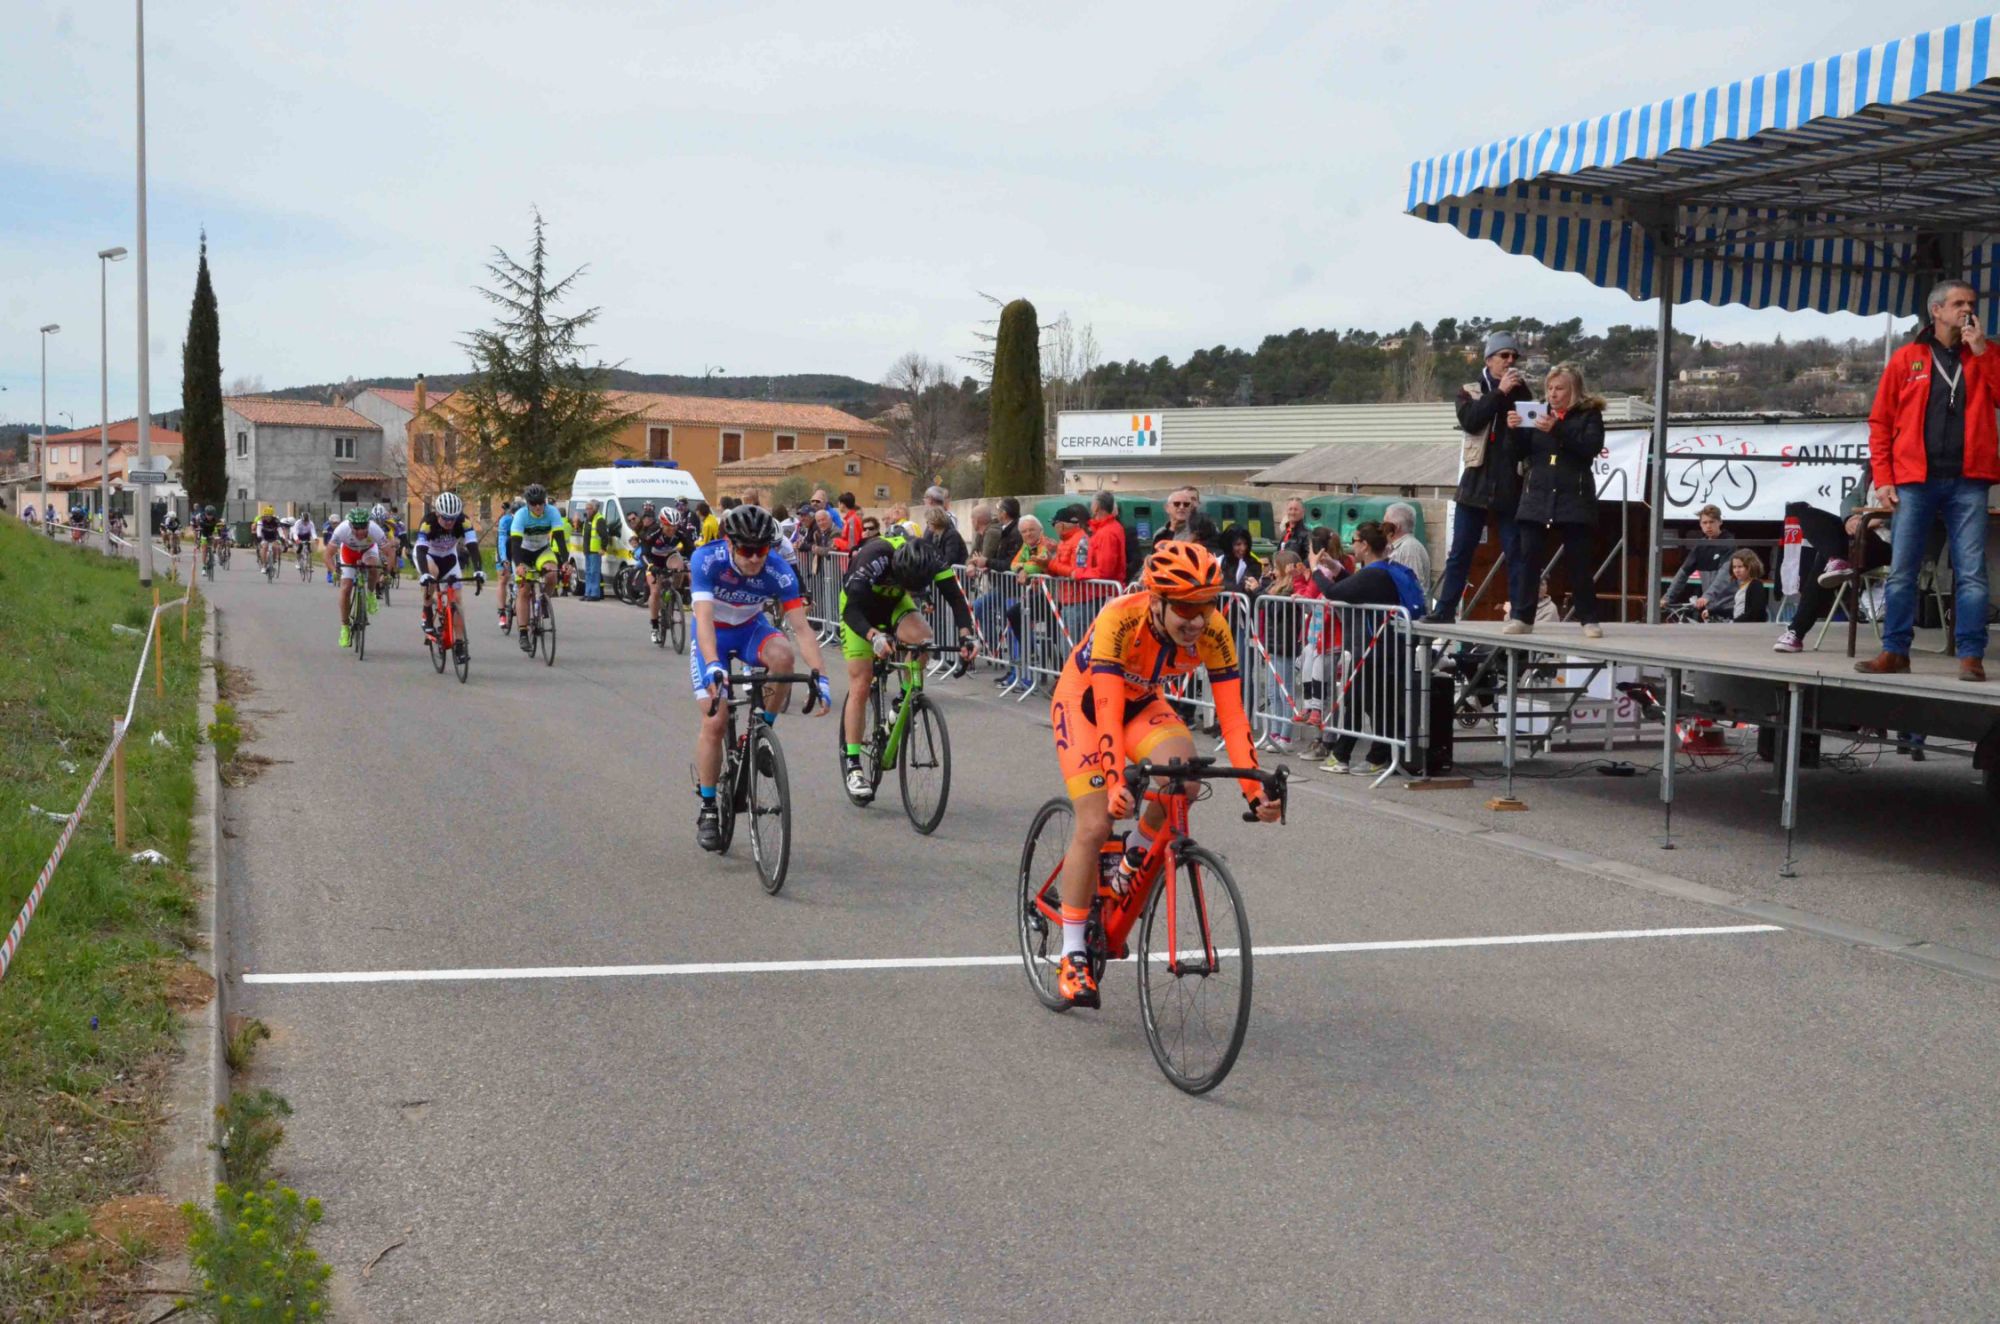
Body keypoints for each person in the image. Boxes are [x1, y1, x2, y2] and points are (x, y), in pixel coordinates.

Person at [1044, 541, 1282, 1008]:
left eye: (1206, 606)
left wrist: (1255, 791)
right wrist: (1115, 780)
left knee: (1185, 780)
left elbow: (1233, 716)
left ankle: (1132, 857)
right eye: (1186, 609)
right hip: (1086, 704)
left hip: (1143, 703)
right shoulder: (1120, 618)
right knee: (1095, 824)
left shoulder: (1213, 630)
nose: (1197, 621)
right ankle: (1072, 953)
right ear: (1156, 602)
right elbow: (1107, 709)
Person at [1856, 278, 1998, 681]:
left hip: (1968, 480)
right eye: (1958, 303)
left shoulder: (1986, 355)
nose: (1967, 310)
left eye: (1971, 303)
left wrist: (1982, 352)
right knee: (1903, 570)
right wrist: (1883, 478)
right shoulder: (1908, 358)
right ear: (1937, 311)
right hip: (1915, 481)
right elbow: (1881, 422)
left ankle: (1971, 655)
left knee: (1971, 572)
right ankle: (1895, 651)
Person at [687, 505, 833, 851]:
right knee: (715, 720)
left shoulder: (778, 570)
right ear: (730, 543)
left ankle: (761, 731)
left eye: (762, 550)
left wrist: (822, 677)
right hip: (713, 636)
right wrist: (713, 664)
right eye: (746, 550)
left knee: (784, 656)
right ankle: (708, 808)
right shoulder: (707, 560)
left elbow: (801, 628)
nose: (754, 558)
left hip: (751, 630)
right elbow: (703, 620)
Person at [837, 533, 976, 801]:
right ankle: (853, 765)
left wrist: (966, 635)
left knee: (923, 639)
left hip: (894, 604)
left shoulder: (932, 559)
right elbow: (851, 611)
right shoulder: (874, 557)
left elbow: (956, 598)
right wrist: (873, 636)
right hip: (859, 609)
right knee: (861, 682)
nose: (914, 591)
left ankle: (904, 698)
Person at [1430, 331, 1531, 623]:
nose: (1510, 361)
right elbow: (1471, 421)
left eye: (1513, 357)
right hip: (1475, 482)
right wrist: (1499, 392)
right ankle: (1444, 611)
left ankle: (1519, 615)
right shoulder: (1469, 390)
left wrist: (1518, 426)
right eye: (1504, 355)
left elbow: (1529, 441)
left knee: (1516, 552)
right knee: (1460, 551)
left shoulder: (1523, 393)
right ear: (1489, 359)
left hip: (1509, 482)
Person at [1506, 362, 1605, 640]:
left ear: (1574, 390)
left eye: (1559, 388)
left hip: (1574, 496)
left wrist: (1557, 430)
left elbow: (1590, 448)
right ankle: (1522, 617)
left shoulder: (1589, 415)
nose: (1553, 393)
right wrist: (1514, 430)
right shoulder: (1537, 412)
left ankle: (1588, 619)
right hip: (1537, 495)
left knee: (1578, 562)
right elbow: (1518, 453)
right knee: (1528, 559)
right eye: (1549, 388)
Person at [1314, 522, 1412, 774]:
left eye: (1355, 541)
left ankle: (1373, 757)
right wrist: (1335, 567)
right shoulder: (1381, 570)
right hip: (1377, 646)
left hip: (1376, 648)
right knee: (1359, 700)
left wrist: (1316, 570)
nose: (1352, 546)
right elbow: (1352, 586)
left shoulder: (1374, 574)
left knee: (1373, 703)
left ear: (1365, 545)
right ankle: (1344, 754)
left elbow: (1334, 592)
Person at [1773, 465, 1890, 652]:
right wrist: (1850, 518)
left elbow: (1915, 510)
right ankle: (1836, 559)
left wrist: (1878, 520)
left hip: (1888, 543)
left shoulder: (1909, 470)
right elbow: (1851, 498)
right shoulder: (1873, 469)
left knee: (1825, 557)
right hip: (1858, 535)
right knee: (1801, 512)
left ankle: (1796, 632)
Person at [507, 485, 571, 655]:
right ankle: (523, 633)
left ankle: (543, 602)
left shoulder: (552, 512)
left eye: (540, 503)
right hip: (523, 552)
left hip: (542, 550)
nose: (537, 507)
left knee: (552, 574)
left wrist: (565, 562)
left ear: (545, 502)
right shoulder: (521, 515)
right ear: (528, 504)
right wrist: (519, 565)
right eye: (533, 504)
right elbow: (515, 543)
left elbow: (560, 539)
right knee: (524, 589)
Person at [414, 492, 484, 634]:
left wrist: (478, 570)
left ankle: (459, 642)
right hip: (428, 555)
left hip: (449, 557)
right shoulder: (428, 523)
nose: (449, 522)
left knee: (457, 599)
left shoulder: (464, 522)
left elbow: (472, 546)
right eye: (445, 518)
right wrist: (425, 574)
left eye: (453, 518)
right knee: (432, 573)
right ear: (437, 514)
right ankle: (427, 611)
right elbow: (421, 550)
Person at [322, 507, 390, 647]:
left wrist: (387, 572)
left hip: (368, 550)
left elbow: (390, 552)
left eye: (363, 527)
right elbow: (327, 554)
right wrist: (334, 571)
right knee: (346, 588)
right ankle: (345, 627)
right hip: (349, 552)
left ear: (368, 524)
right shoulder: (341, 530)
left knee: (373, 567)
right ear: (350, 525)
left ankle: (370, 594)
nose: (360, 532)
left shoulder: (375, 529)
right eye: (356, 528)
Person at [631, 503, 692, 643]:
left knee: (680, 567)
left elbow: (690, 549)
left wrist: (692, 564)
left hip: (670, 556)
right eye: (669, 527)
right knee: (655, 591)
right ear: (662, 524)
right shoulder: (652, 532)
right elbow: (644, 554)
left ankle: (673, 595)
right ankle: (654, 626)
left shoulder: (680, 531)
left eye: (675, 526)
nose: (672, 529)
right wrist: (651, 566)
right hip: (653, 560)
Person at [1699, 549, 1768, 623]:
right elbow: (1736, 610)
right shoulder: (1743, 585)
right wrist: (1712, 612)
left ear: (1750, 566)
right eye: (1734, 567)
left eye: (1740, 566)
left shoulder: (1755, 585)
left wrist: (1734, 622)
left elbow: (1756, 613)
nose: (1736, 570)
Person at [1150, 485, 1221, 554]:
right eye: (1177, 504)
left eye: (1186, 504)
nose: (1182, 507)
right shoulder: (1160, 534)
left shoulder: (1202, 529)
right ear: (1167, 508)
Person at [1382, 503, 1432, 589]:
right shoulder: (1401, 546)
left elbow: (1414, 586)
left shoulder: (1409, 548)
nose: (1382, 527)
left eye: (1385, 524)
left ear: (1396, 527)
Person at [924, 503, 969, 569]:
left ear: (934, 522)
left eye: (928, 522)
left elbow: (950, 559)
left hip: (956, 573)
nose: (927, 525)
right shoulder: (934, 536)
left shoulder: (952, 535)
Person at [581, 500, 607, 601]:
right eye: (586, 509)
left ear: (594, 509)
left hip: (595, 551)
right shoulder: (587, 519)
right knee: (588, 572)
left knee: (594, 572)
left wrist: (603, 548)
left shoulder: (599, 519)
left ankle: (595, 594)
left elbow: (604, 536)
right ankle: (587, 593)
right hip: (588, 550)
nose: (587, 511)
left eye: (589, 509)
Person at [254, 504, 283, 571]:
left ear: (272, 516)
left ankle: (274, 560)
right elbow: (258, 529)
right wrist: (259, 536)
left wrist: (282, 537)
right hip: (264, 536)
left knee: (275, 547)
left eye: (269, 516)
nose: (267, 517)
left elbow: (279, 529)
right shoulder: (261, 520)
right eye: (266, 516)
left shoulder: (276, 520)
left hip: (273, 536)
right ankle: (264, 565)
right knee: (264, 547)